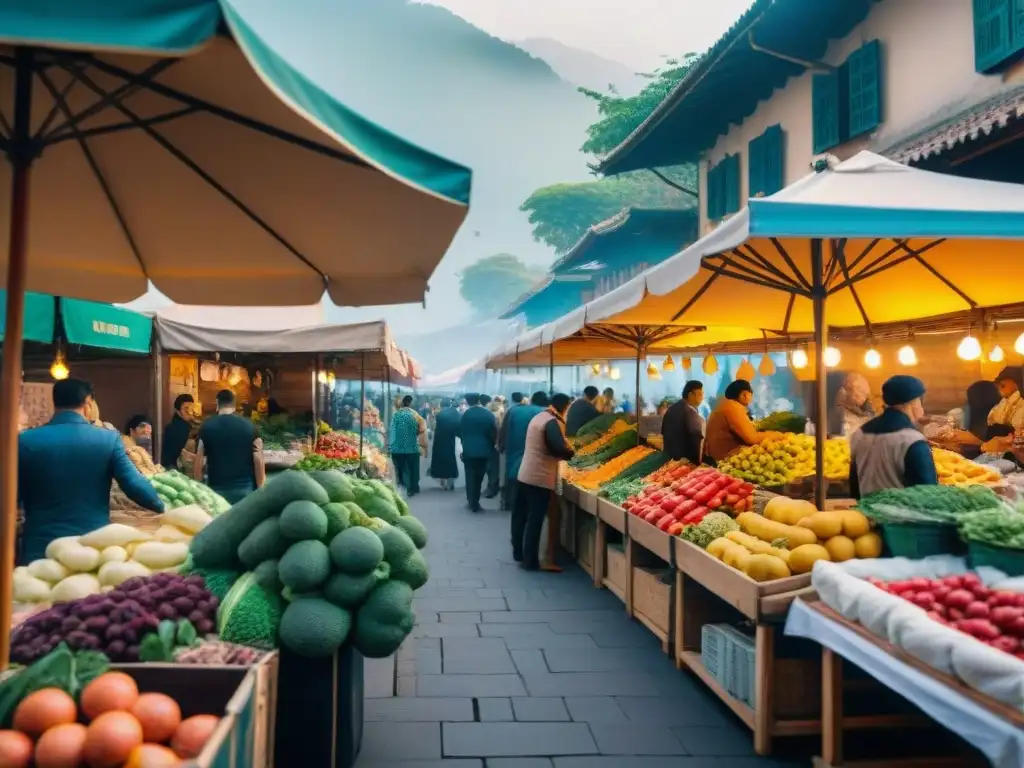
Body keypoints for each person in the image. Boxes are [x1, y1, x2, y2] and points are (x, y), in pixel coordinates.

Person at [17, 379, 164, 563]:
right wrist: (162, 506)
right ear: (88, 403)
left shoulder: (26, 441)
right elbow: (133, 484)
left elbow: (12, 494)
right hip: (92, 545)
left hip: (41, 547)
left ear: (55, 403)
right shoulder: (108, 439)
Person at [514, 393, 575, 571]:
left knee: (524, 517)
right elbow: (556, 447)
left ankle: (522, 554)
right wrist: (571, 454)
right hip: (539, 477)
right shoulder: (551, 422)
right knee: (536, 519)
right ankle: (532, 561)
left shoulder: (540, 417)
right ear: (564, 406)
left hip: (526, 473)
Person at [849, 375, 938, 498]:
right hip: (902, 516)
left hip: (866, 513)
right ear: (914, 402)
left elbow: (854, 485)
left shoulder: (859, 434)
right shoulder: (912, 440)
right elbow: (928, 492)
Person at [194, 390, 266, 504]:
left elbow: (199, 460)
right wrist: (261, 487)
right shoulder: (250, 426)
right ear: (234, 405)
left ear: (217, 403)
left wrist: (198, 487)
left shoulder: (206, 427)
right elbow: (258, 458)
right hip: (245, 490)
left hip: (216, 491)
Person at [705, 379, 781, 462]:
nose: (751, 398)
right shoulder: (733, 407)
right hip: (725, 459)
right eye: (751, 394)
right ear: (744, 395)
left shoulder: (724, 405)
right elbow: (751, 438)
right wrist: (778, 435)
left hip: (717, 456)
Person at [500, 391, 546, 515]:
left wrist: (501, 446)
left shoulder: (513, 411)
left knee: (514, 481)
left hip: (515, 455)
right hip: (538, 462)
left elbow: (504, 431)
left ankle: (509, 503)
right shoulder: (547, 414)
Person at [459, 393, 497, 513]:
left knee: (470, 475)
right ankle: (476, 501)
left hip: (468, 450)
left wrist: (464, 446)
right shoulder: (488, 414)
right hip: (484, 451)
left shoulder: (465, 415)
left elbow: (461, 432)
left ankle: (471, 501)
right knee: (480, 476)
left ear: (468, 402)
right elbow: (494, 433)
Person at [662, 381, 706, 464]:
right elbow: (697, 440)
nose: (702, 397)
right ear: (690, 395)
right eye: (700, 394)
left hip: (669, 459)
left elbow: (663, 431)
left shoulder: (673, 408)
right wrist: (697, 463)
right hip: (684, 462)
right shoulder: (689, 412)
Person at [390, 395, 425, 496]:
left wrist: (390, 445)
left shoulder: (396, 415)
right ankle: (413, 487)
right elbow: (421, 429)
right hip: (411, 447)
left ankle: (402, 486)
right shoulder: (414, 415)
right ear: (410, 403)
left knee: (400, 468)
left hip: (397, 448)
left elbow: (392, 430)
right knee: (413, 468)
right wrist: (415, 434)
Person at [429, 399, 461, 490]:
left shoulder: (439, 415)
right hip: (450, 441)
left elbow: (436, 427)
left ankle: (443, 480)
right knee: (450, 459)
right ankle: (450, 481)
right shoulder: (454, 413)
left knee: (440, 461)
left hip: (439, 441)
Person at [162, 394, 195, 469]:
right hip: (176, 470)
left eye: (191, 408)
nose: (189, 411)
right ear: (178, 411)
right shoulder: (175, 428)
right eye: (186, 408)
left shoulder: (189, 425)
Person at [480, 395, 501, 499]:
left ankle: (492, 489)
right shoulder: (499, 414)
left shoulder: (492, 416)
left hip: (492, 444)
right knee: (492, 468)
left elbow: (494, 431)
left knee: (491, 469)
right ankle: (492, 488)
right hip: (494, 444)